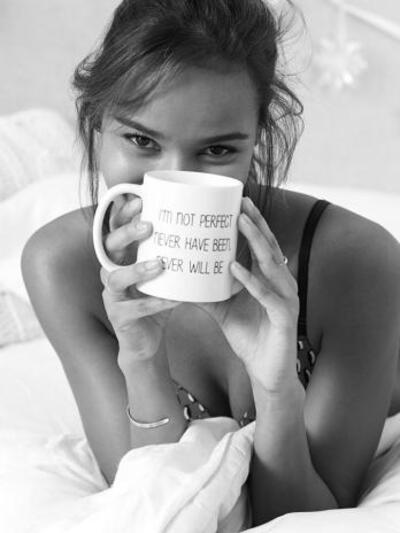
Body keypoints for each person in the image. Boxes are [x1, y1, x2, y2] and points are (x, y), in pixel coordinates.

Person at [21, 0, 400, 527]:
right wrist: (142, 360)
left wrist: (276, 387)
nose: (174, 178)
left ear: (257, 139)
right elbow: (153, 500)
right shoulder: (62, 267)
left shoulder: (358, 262)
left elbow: (310, 517)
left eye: (218, 150)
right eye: (141, 140)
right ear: (96, 123)